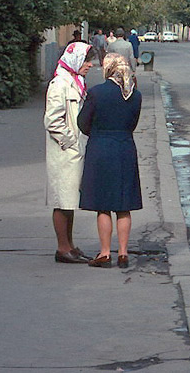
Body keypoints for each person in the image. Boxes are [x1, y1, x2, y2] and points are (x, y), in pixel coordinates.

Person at [78, 53, 143, 268]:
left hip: (101, 149)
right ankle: (123, 253)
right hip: (125, 148)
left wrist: (98, 133)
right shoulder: (135, 95)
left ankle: (105, 253)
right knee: (124, 205)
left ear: (108, 68)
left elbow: (83, 123)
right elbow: (132, 124)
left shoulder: (96, 93)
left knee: (103, 205)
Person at [45, 41, 96, 264]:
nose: (90, 65)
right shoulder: (60, 84)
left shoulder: (75, 82)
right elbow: (52, 120)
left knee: (70, 199)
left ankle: (70, 245)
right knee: (62, 199)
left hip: (74, 151)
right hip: (64, 152)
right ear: (75, 60)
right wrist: (71, 142)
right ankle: (62, 248)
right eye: (86, 61)